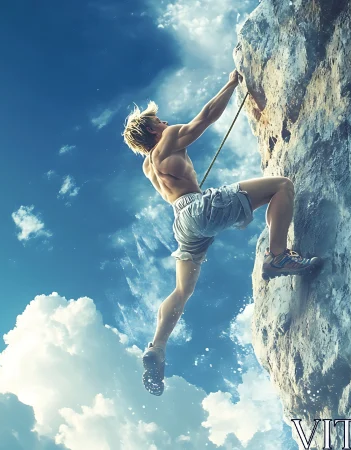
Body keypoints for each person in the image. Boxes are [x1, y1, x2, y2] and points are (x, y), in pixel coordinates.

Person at [121, 70, 322, 396]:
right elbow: (204, 119)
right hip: (198, 210)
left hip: (181, 222)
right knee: (282, 186)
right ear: (152, 130)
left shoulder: (148, 166)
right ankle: (279, 257)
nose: (165, 121)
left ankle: (157, 347)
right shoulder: (168, 137)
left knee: (182, 290)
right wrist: (231, 84)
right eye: (157, 120)